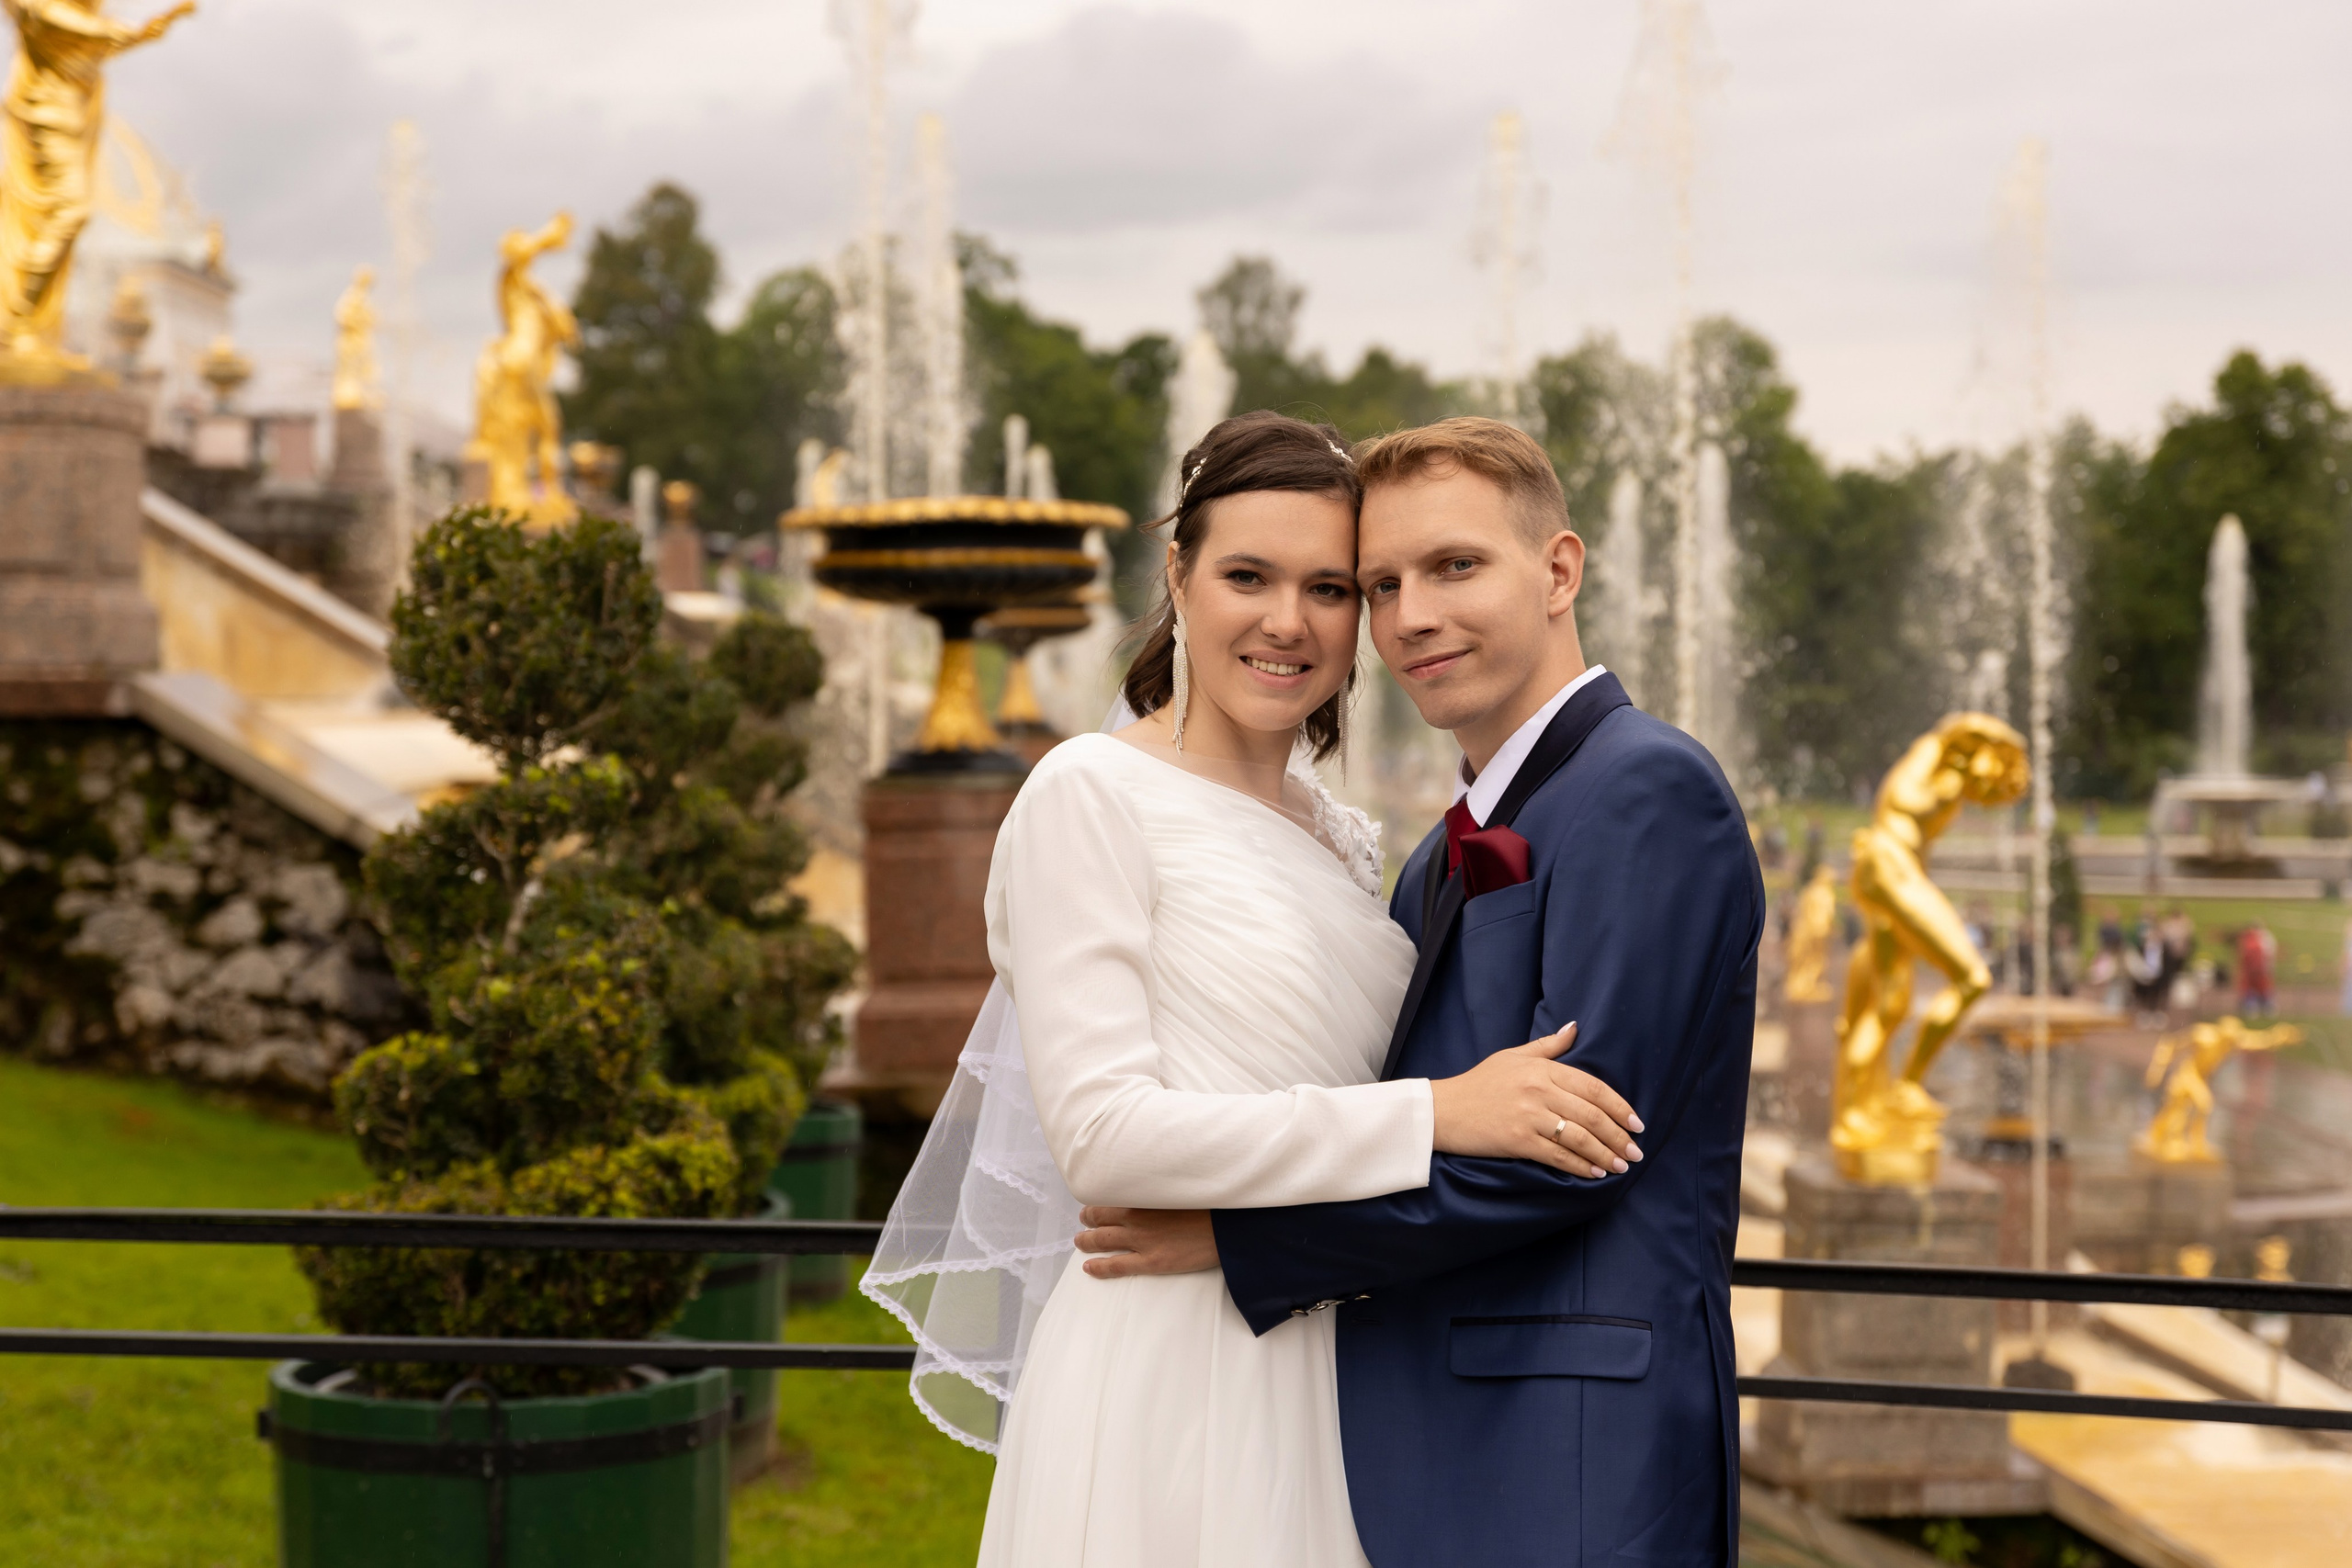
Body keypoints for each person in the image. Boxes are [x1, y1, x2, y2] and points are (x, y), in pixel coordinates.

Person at [861, 412, 1644, 1568]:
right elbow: (1104, 1136)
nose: (1289, 621)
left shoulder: (1344, 838)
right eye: (1247, 577)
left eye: (1329, 588)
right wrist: (1436, 1115)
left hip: (1336, 1349)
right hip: (1171, 1362)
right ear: (1179, 579)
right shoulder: (1089, 794)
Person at [1078, 419, 1762, 1565]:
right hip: (1420, 1433)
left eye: (1454, 566)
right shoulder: (1438, 856)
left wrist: (1242, 1245)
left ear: (1558, 570)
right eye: (1381, 585)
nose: (1410, 617)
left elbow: (1572, 1145)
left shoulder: (1647, 788)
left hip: (1572, 1450)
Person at [2236, 920, 2277, 1019]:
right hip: (2258, 969)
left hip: (2256, 969)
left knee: (2258, 988)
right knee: (2259, 988)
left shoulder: (2259, 939)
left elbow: (2244, 955)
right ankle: (2262, 1007)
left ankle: (2259, 1007)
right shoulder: (2262, 939)